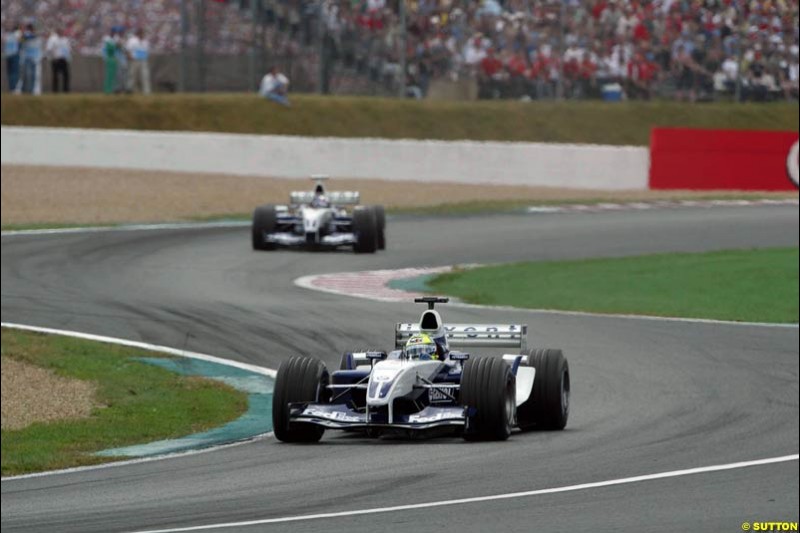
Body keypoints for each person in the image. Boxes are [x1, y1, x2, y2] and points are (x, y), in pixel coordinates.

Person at [126, 28, 151, 94]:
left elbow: (147, 50)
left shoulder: (145, 41)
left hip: (143, 60)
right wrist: (129, 56)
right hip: (135, 60)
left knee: (145, 75)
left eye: (143, 33)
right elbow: (128, 49)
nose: (142, 34)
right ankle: (129, 89)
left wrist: (146, 56)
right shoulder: (132, 40)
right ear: (138, 33)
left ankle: (146, 91)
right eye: (141, 33)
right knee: (132, 75)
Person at [45, 28, 71, 93]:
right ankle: (55, 91)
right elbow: (49, 49)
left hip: (63, 59)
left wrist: (68, 58)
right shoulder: (53, 39)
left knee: (66, 75)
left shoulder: (65, 40)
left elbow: (68, 50)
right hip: (56, 59)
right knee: (55, 76)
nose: (61, 32)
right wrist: (51, 57)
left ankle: (66, 91)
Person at [19, 23, 42, 95]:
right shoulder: (26, 35)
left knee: (33, 76)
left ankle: (31, 91)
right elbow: (22, 40)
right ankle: (25, 90)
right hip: (27, 58)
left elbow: (39, 47)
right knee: (27, 75)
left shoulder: (36, 37)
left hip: (35, 59)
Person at [4, 23, 21, 93]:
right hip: (14, 55)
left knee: (10, 72)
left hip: (8, 55)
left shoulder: (7, 35)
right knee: (14, 72)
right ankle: (13, 88)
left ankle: (12, 87)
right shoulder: (17, 34)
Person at [102, 28, 118, 94]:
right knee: (109, 75)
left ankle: (111, 89)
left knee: (113, 75)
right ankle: (107, 90)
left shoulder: (114, 40)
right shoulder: (107, 40)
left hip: (113, 58)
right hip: (109, 58)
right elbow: (107, 49)